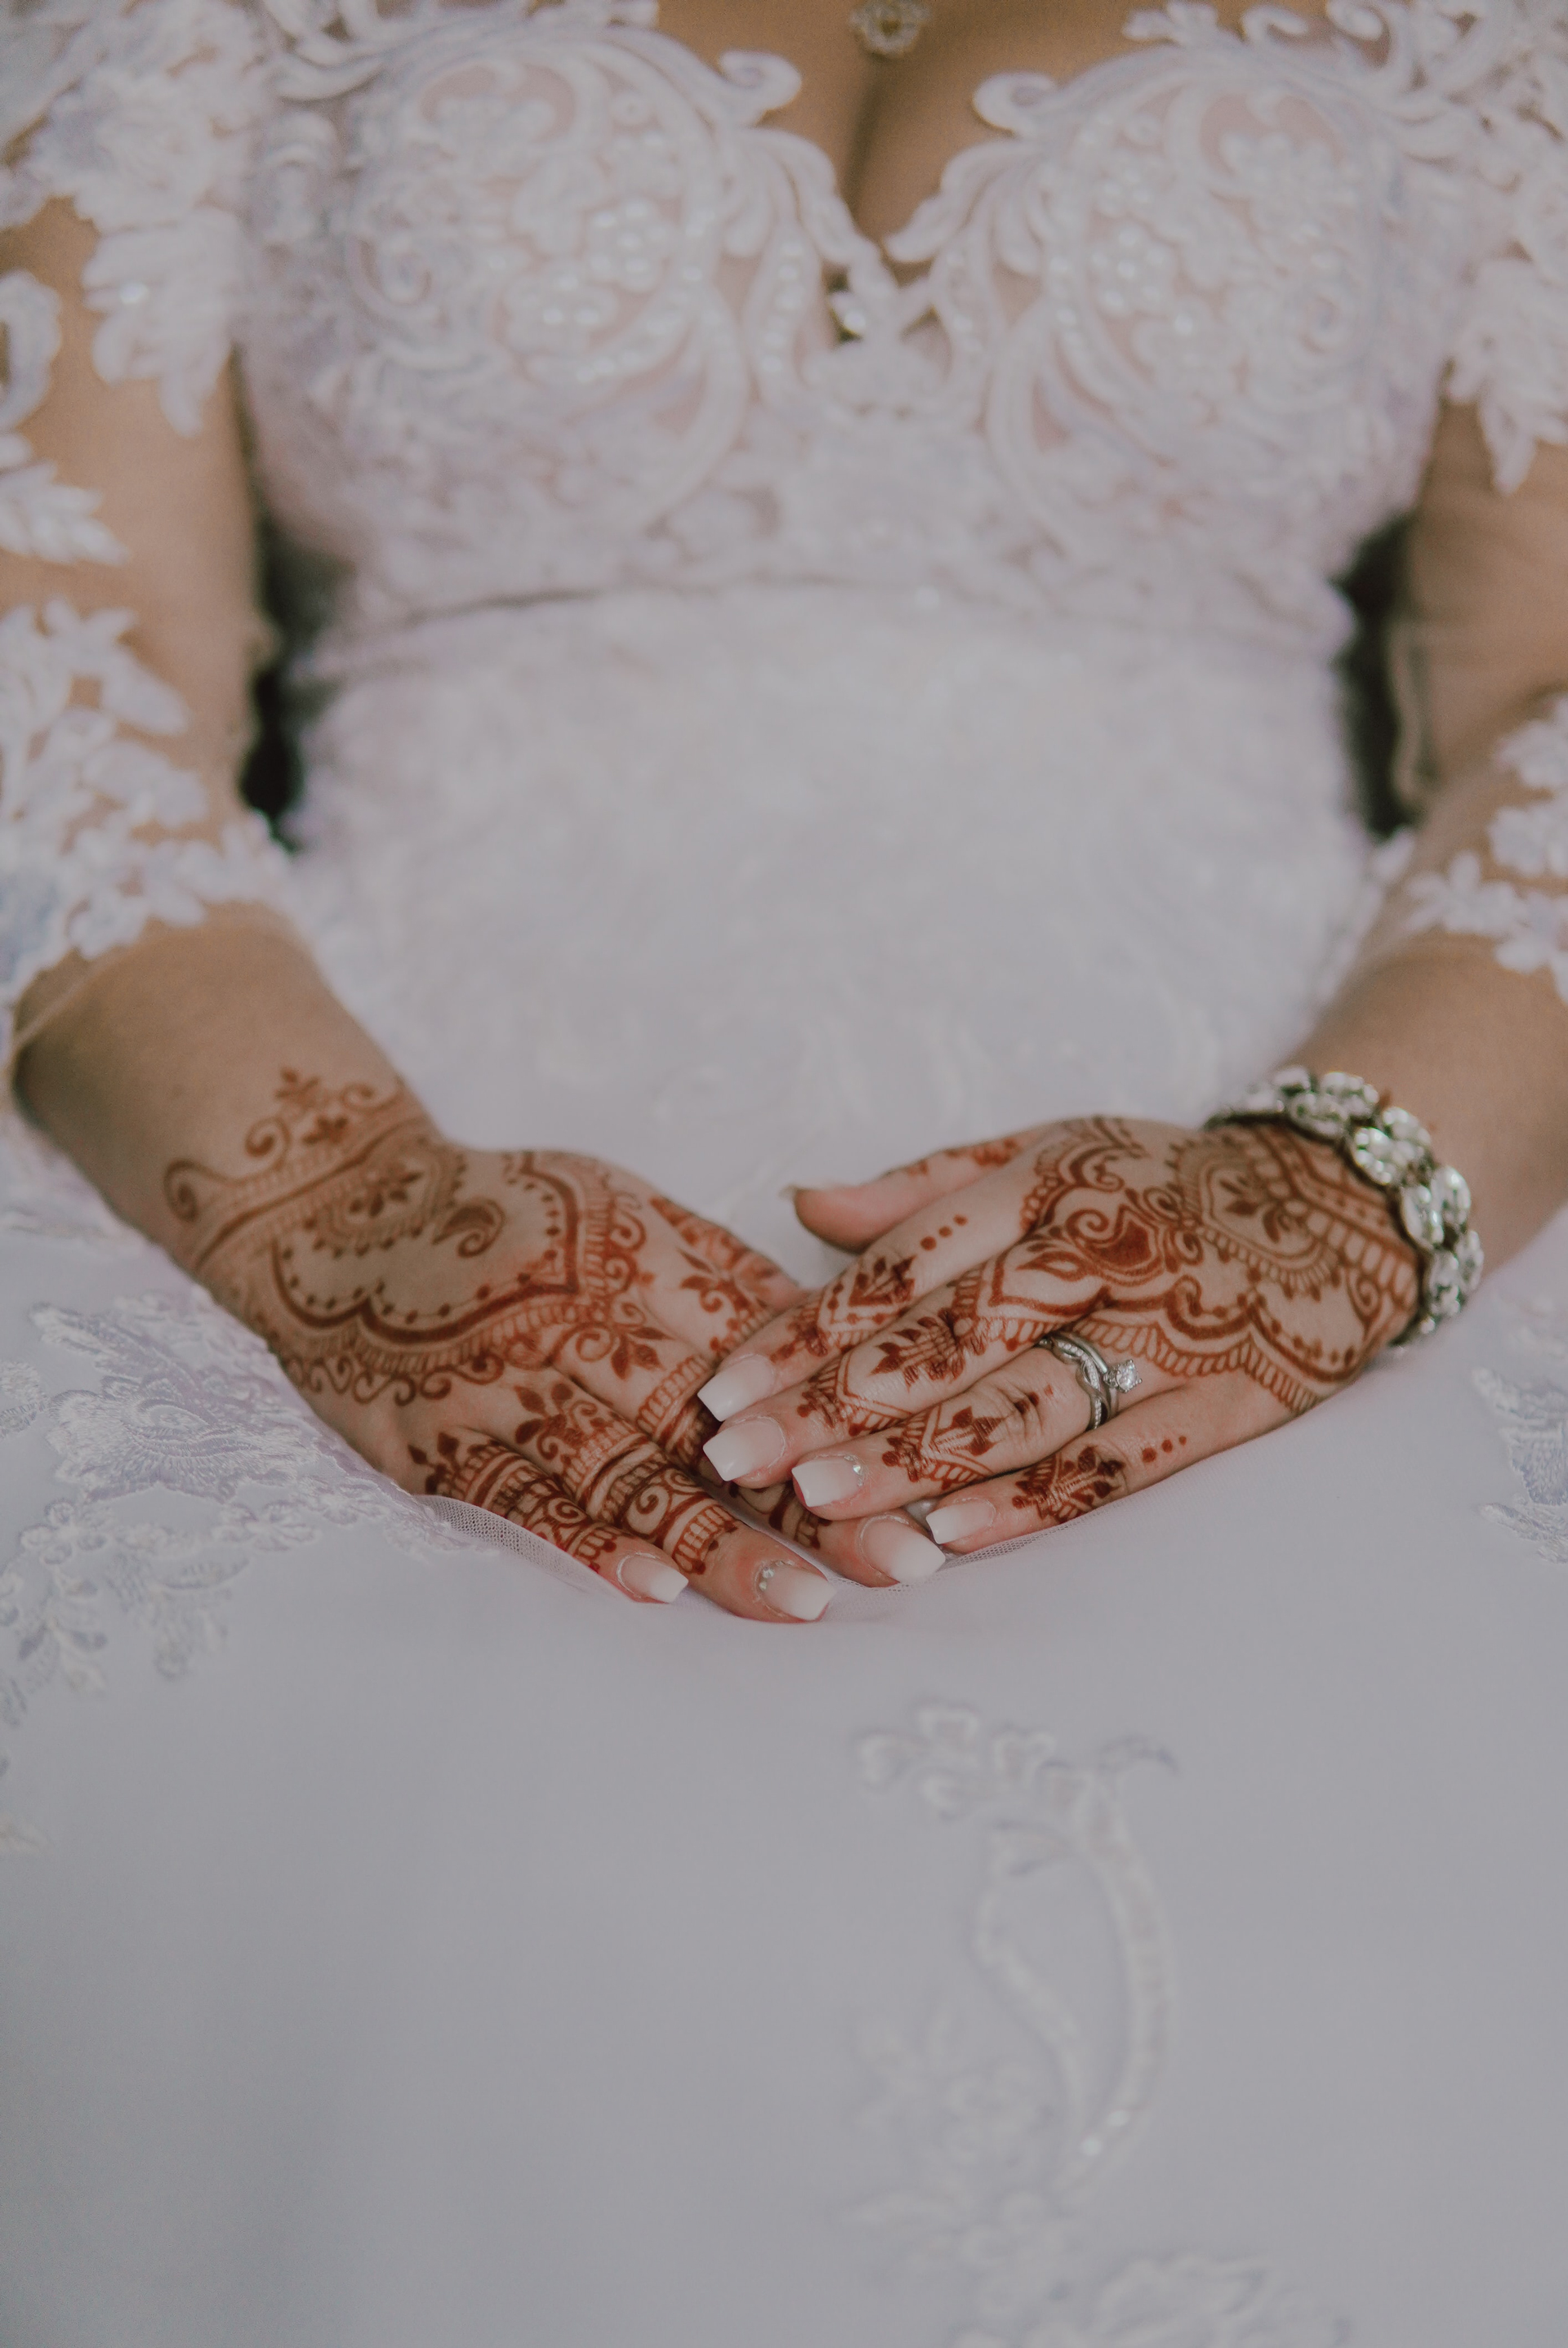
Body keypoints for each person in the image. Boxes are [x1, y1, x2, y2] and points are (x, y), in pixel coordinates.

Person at [2, 3, 1567, 2341]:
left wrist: (1353, 1191)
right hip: (341, 1090)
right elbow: (59, 630)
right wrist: (325, 1209)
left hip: (1351, 1102)